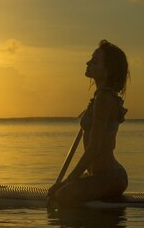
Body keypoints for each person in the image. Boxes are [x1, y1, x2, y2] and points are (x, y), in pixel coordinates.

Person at [48, 40, 129, 206]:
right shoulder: (100, 97)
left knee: (63, 195)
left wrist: (68, 181)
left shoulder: (104, 99)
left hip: (111, 177)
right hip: (97, 175)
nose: (88, 63)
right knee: (59, 192)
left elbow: (94, 148)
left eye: (94, 61)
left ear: (107, 70)